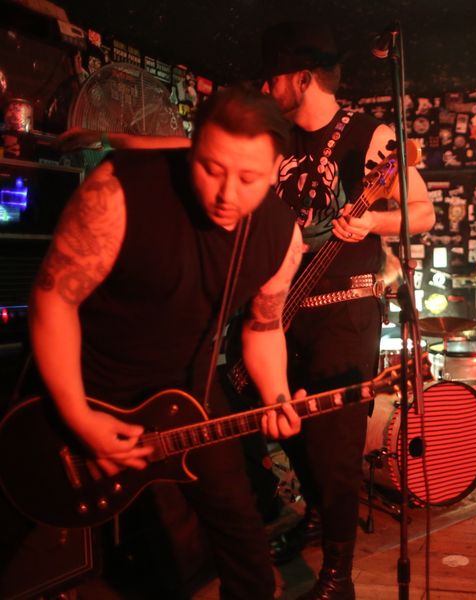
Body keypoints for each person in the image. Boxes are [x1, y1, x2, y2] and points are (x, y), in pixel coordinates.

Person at [28, 85, 305, 600]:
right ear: (190, 147)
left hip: (189, 388)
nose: (226, 194)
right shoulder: (117, 192)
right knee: (35, 536)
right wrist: (78, 416)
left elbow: (264, 328)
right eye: (210, 169)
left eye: (248, 178)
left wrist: (277, 395)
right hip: (86, 381)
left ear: (276, 170)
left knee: (243, 541)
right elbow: (53, 302)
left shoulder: (282, 236)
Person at [260, 20, 434, 600]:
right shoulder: (277, 137)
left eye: (274, 77)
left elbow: (423, 212)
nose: (266, 88)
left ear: (302, 77)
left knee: (333, 444)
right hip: (281, 308)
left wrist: (372, 221)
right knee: (285, 425)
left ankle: (339, 577)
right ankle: (316, 514)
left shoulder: (370, 135)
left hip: (345, 307)